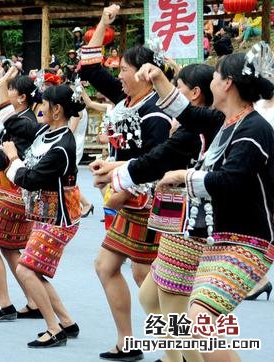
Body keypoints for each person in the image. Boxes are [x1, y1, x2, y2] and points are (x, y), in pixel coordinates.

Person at [148, 43, 274, 362]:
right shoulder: (227, 124)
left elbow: (230, 181)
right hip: (220, 241)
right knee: (198, 319)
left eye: (215, 76)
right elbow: (188, 113)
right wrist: (158, 76)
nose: (211, 82)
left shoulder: (254, 129)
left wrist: (181, 175)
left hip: (249, 242)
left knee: (200, 318)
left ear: (227, 83)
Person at [93, 63, 216, 362]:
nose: (171, 91)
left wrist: (118, 175)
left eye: (179, 87)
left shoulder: (190, 128)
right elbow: (156, 158)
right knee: (150, 296)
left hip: (186, 224)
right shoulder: (187, 125)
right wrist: (116, 169)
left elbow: (157, 158)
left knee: (171, 306)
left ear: (195, 94)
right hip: (169, 220)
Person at [80, 5, 172, 360]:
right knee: (107, 266)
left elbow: (157, 164)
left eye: (125, 70)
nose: (118, 76)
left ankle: (177, 348)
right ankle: (127, 341)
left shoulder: (157, 114)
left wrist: (118, 179)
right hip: (124, 200)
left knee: (147, 279)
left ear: (146, 75)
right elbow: (89, 68)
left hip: (148, 205)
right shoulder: (127, 98)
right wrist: (105, 21)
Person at [1, 84, 84, 347]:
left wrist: (13, 159)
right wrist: (4, 88)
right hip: (44, 215)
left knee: (25, 270)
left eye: (44, 104)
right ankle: (67, 322)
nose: (39, 109)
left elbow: (30, 179)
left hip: (59, 218)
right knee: (34, 271)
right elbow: (16, 124)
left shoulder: (61, 146)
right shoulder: (47, 132)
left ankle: (53, 328)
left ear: (57, 109)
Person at [0, 43, 42, 322]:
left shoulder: (22, 123)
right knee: (11, 248)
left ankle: (4, 303)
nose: (6, 91)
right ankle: (34, 301)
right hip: (16, 192)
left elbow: (9, 157)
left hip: (15, 193)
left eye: (11, 88)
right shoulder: (21, 118)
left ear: (22, 97)